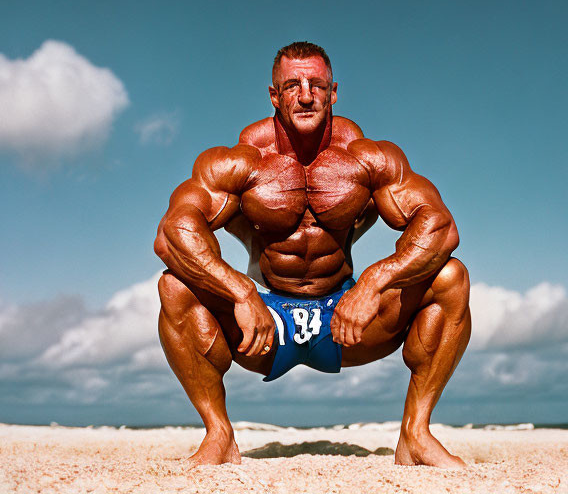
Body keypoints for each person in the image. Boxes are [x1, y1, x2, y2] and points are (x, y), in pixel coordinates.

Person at [154, 41, 471, 468]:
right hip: (264, 322)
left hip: (347, 320)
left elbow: (439, 226)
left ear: (333, 92)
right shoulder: (241, 162)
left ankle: (415, 434)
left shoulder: (367, 158)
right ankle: (219, 434)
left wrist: (375, 281)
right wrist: (242, 293)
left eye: (316, 85)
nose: (305, 95)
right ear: (273, 96)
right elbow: (173, 233)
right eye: (292, 86)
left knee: (451, 278)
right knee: (174, 286)